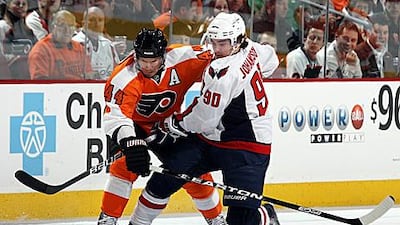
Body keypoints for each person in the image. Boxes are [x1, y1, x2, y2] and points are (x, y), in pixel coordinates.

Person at [129, 12, 281, 225]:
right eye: (214, 42)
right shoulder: (252, 48)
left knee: (242, 221)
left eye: (222, 44)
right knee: (166, 177)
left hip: (247, 144)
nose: (216, 50)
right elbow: (271, 58)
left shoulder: (224, 74)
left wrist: (172, 124)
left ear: (237, 41)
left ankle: (266, 216)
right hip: (211, 138)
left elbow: (204, 119)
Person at [98, 28, 225, 225]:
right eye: (143, 60)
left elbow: (221, 57)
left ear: (163, 55)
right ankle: (108, 219)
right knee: (123, 168)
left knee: (193, 171)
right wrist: (130, 141)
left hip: (167, 125)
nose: (148, 66)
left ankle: (216, 219)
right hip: (134, 126)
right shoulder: (123, 77)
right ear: (135, 55)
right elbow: (116, 116)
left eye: (153, 61)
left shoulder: (185, 58)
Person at [28, 10, 93, 79]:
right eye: (62, 25)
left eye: (71, 26)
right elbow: (40, 85)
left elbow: (89, 76)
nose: (67, 30)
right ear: (53, 27)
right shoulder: (40, 51)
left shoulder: (79, 48)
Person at [72, 6, 119, 80]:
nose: (97, 24)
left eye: (100, 20)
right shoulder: (75, 43)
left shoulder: (108, 45)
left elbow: (117, 72)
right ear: (83, 22)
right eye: (92, 20)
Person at [0, 0, 37, 79]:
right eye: (17, 3)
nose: (21, 6)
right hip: (8, 78)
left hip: (27, 77)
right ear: (8, 5)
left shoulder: (30, 28)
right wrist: (19, 58)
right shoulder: (2, 26)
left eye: (24, 4)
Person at [355, 13, 397, 78]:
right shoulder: (358, 53)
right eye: (377, 32)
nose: (382, 36)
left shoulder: (388, 56)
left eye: (385, 33)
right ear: (368, 32)